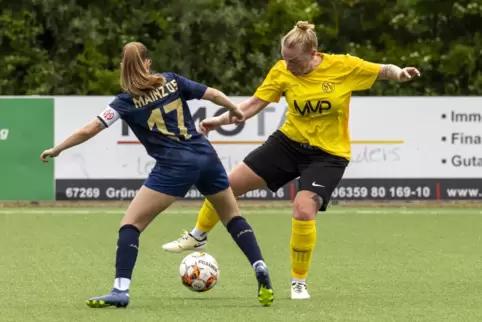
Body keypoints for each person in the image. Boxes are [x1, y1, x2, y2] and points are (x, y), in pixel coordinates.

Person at [162, 21, 421, 300]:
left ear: (313, 52)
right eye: (285, 58)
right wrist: (219, 120)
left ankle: (298, 283)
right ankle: (198, 234)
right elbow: (251, 106)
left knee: (303, 209)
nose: (288, 65)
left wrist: (400, 74)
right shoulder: (281, 69)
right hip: (288, 144)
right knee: (226, 184)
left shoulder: (342, 66)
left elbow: (382, 70)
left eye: (294, 60)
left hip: (329, 154)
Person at [40, 42, 274, 308]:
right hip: (206, 156)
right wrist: (234, 110)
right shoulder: (172, 81)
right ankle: (259, 266)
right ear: (148, 63)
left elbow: (90, 129)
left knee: (131, 225)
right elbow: (213, 94)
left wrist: (58, 148)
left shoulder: (124, 101)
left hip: (174, 167)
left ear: (122, 67)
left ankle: (120, 290)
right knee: (232, 217)